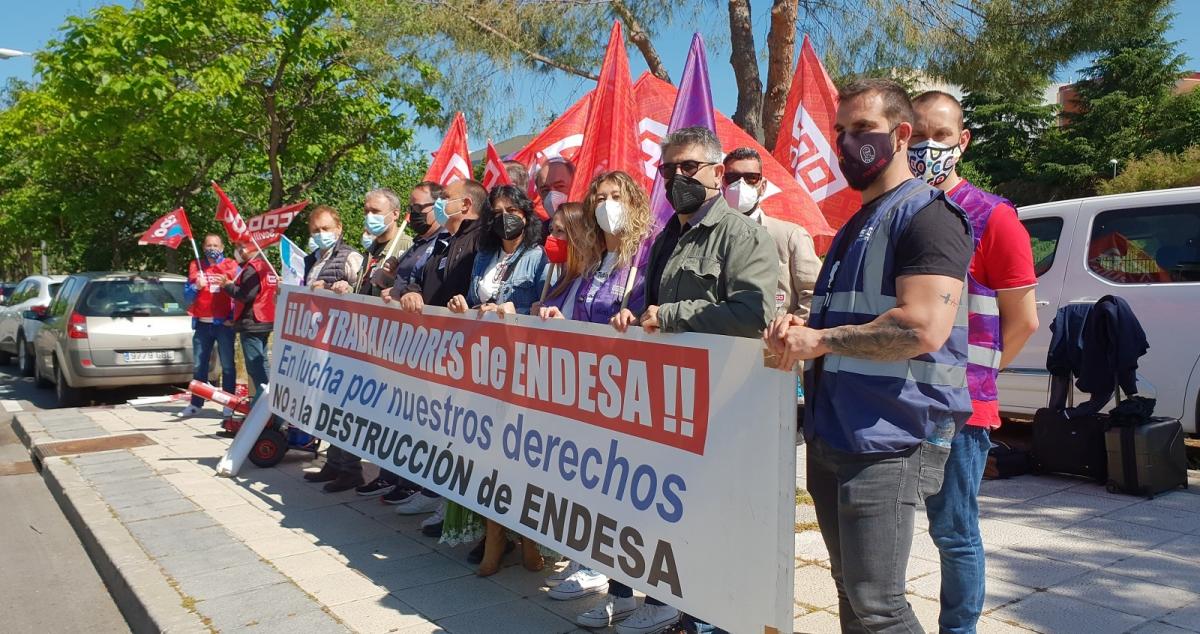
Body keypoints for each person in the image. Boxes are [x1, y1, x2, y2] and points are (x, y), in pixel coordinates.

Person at [764, 78, 974, 633]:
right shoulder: (856, 223)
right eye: (840, 131)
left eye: (862, 129)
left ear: (902, 135)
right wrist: (803, 326)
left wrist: (823, 341)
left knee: (879, 606)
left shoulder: (929, 217)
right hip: (838, 431)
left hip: (892, 437)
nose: (845, 143)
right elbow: (849, 317)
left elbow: (923, 328)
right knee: (850, 592)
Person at [611, 126, 777, 634]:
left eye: (689, 168)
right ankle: (684, 610)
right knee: (678, 516)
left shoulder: (741, 235)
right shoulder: (667, 237)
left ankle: (718, 617)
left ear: (716, 172)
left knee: (717, 519)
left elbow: (753, 312)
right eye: (669, 170)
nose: (678, 178)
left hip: (723, 404)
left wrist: (672, 315)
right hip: (670, 400)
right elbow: (649, 307)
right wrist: (633, 318)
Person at [910, 90, 1039, 634]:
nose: (927, 147)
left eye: (940, 136)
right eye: (917, 136)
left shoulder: (993, 218)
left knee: (954, 530)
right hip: (900, 398)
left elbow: (1023, 320)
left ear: (962, 142)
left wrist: (978, 380)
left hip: (958, 410)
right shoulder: (903, 210)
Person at [535, 171, 657, 625]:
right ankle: (617, 587)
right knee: (600, 491)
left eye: (616, 197)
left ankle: (649, 593)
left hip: (635, 397)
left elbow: (659, 312)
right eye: (600, 198)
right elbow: (578, 315)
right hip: (592, 396)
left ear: (636, 204)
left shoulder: (648, 257)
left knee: (631, 496)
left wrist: (641, 315)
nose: (607, 205)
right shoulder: (596, 261)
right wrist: (555, 314)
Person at [443, 183, 548, 575]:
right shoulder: (483, 255)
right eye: (499, 210)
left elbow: (542, 307)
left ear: (526, 215)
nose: (506, 217)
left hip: (520, 369)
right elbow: (475, 302)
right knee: (488, 456)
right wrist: (463, 305)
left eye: (513, 210)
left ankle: (529, 540)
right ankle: (494, 537)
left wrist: (514, 308)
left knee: (520, 458)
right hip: (482, 366)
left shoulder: (538, 258)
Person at [386, 178, 487, 518]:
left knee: (456, 431)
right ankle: (433, 490)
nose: (441, 203)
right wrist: (411, 290)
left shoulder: (479, 242)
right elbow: (420, 275)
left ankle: (452, 503)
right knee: (435, 426)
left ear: (467, 205)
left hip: (462, 353)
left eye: (447, 198)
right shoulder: (447, 241)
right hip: (433, 349)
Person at [359, 183, 451, 502]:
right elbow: (403, 281)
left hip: (425, 345)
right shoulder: (415, 247)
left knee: (421, 419)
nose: (414, 213)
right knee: (395, 415)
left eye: (418, 207)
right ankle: (392, 475)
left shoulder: (441, 245)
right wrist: (392, 286)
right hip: (396, 345)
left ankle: (417, 482)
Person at [299, 206, 366, 493]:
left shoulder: (350, 257)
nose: (321, 235)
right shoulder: (310, 259)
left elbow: (361, 292)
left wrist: (342, 289)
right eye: (315, 230)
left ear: (338, 228)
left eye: (326, 229)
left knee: (343, 407)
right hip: (318, 340)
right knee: (326, 404)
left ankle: (351, 469)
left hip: (342, 341)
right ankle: (333, 462)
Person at [721, 147, 821, 320]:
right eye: (733, 178)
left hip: (773, 343)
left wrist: (792, 330)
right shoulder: (709, 236)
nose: (741, 185)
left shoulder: (791, 236)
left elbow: (815, 294)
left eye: (751, 178)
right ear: (722, 183)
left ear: (763, 186)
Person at [178, 233, 239, 419]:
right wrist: (196, 286)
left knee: (227, 365)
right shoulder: (195, 265)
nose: (212, 248)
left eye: (215, 245)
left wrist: (233, 317)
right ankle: (196, 404)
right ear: (203, 247)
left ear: (222, 248)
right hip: (202, 325)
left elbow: (239, 295)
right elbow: (186, 298)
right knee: (199, 365)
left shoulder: (230, 265)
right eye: (208, 245)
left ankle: (229, 403)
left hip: (224, 325)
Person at [220, 242, 278, 413]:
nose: (238, 252)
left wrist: (227, 286)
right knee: (263, 362)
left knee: (255, 367)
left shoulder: (252, 268)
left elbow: (246, 295)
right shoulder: (267, 266)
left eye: (240, 248)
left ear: (250, 249)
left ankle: (262, 406)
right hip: (265, 320)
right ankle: (268, 399)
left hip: (252, 322)